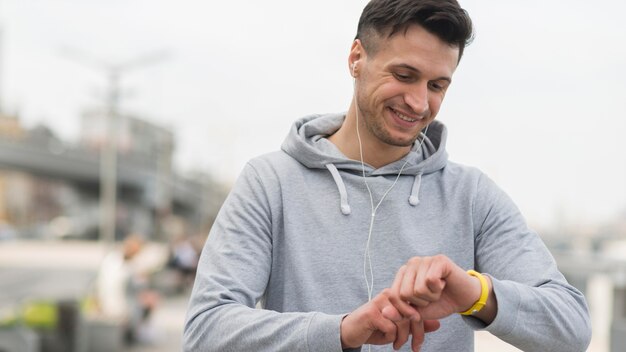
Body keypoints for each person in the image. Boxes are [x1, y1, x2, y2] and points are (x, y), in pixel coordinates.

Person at [183, 0, 592, 351]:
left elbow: (571, 327)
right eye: (404, 75)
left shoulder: (472, 195)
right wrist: (342, 332)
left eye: (437, 85)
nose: (418, 102)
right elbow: (206, 330)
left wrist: (473, 293)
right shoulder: (270, 181)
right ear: (356, 57)